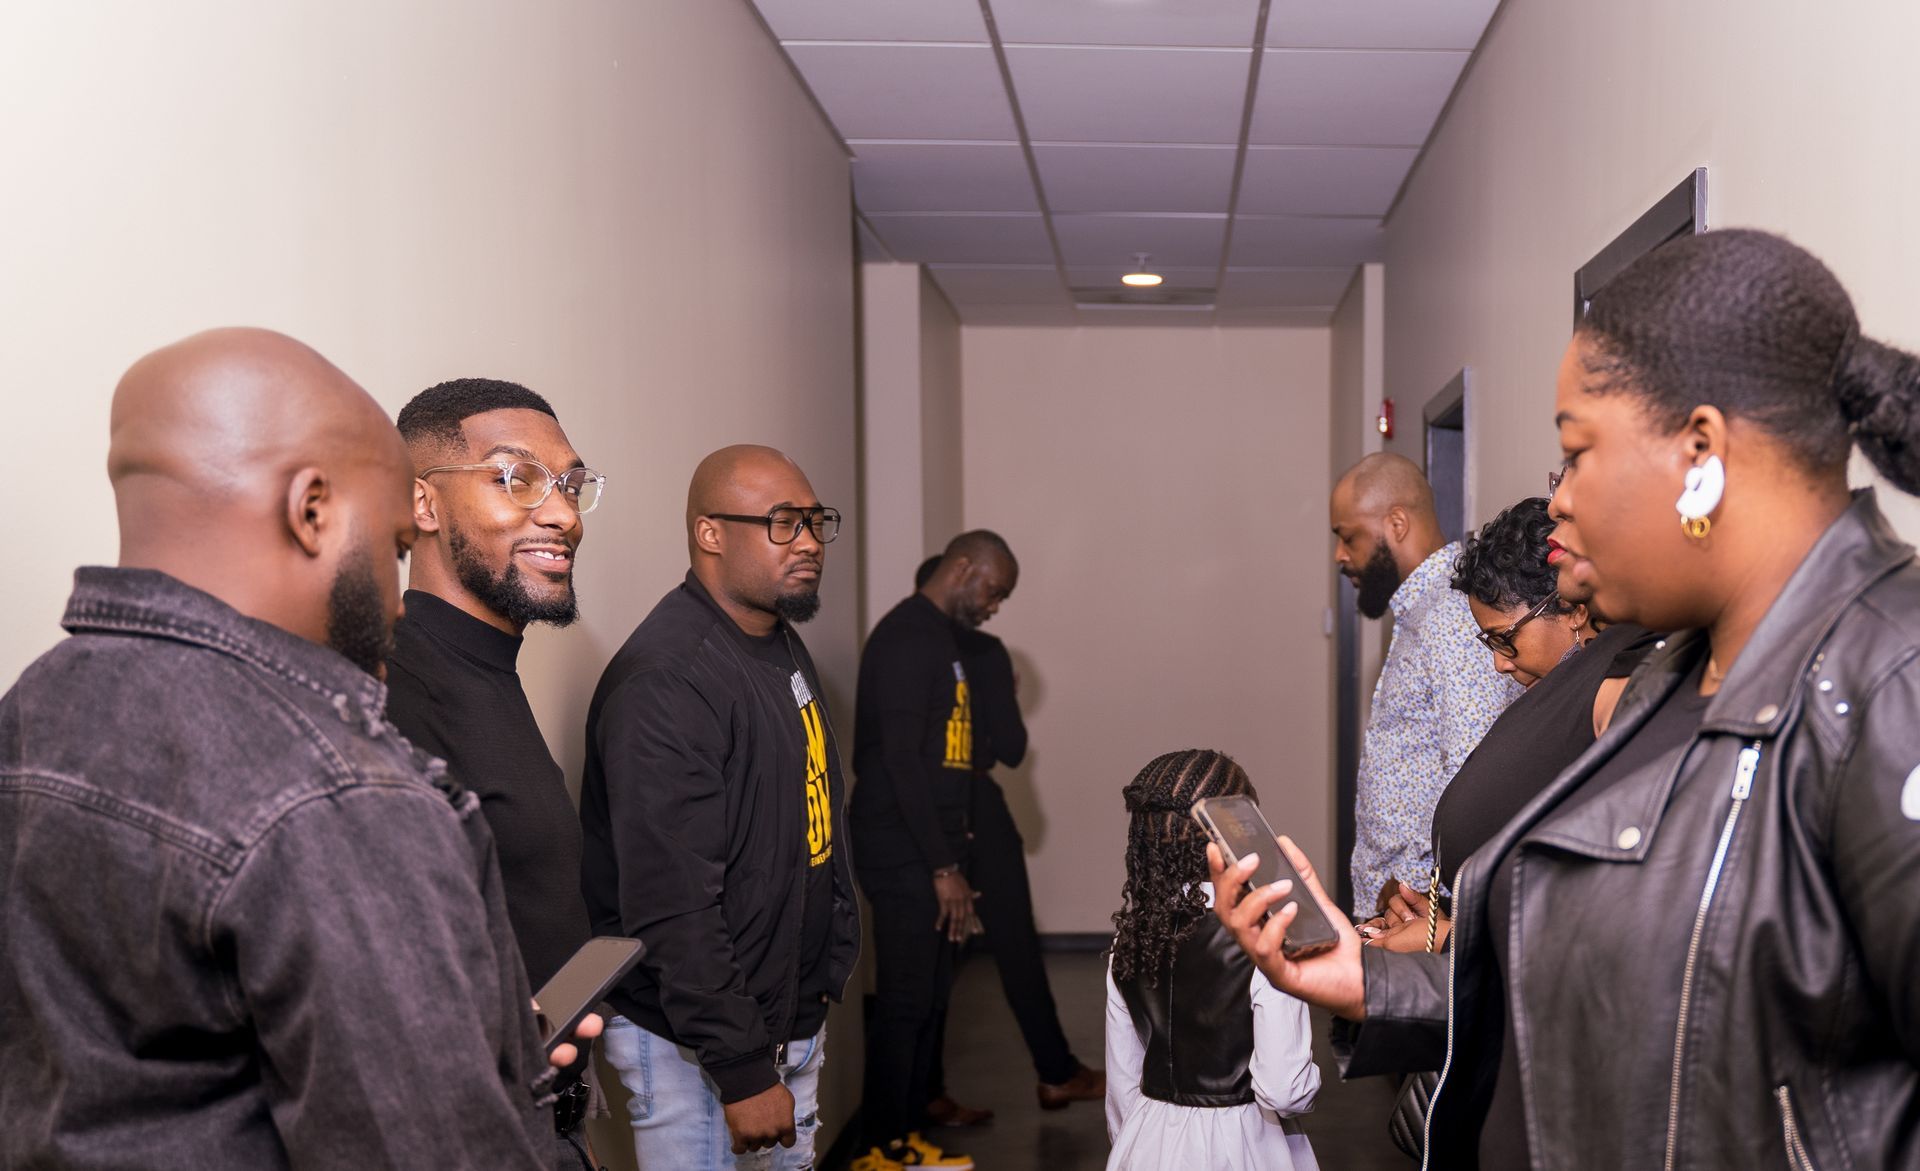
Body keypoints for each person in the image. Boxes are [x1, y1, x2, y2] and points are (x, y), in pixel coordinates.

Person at [1218, 229, 1920, 1169]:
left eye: (1578, 454)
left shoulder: (1885, 685)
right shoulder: (1680, 676)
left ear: (1700, 453)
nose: (1557, 503)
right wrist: (1366, 977)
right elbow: (1615, 989)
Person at [0, 328, 594, 1169]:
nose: (397, 601)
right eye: (393, 549)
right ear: (311, 510)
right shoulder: (341, 792)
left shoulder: (30, 708)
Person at [579, 444, 859, 1170]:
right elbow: (672, 903)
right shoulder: (669, 681)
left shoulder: (775, 644)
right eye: (783, 522)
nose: (808, 541)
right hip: (697, 1047)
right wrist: (740, 1065)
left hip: (781, 1019)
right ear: (710, 533)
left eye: (815, 522)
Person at [384, 377, 605, 1165]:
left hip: (544, 1116)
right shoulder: (391, 692)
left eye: (571, 484)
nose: (563, 514)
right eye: (517, 479)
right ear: (423, 504)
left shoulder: (486, 669)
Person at [1360, 496, 1659, 954]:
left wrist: (1450, 937)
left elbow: (1599, 895)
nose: (1500, 664)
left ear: (1572, 608)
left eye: (1506, 640)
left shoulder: (1617, 681)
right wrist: (1441, 916)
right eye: (1489, 644)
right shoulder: (1554, 684)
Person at [849, 532, 1023, 1171]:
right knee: (902, 1001)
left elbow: (942, 758)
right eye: (993, 590)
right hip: (902, 853)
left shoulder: (939, 638)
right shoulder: (906, 638)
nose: (994, 605)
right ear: (964, 567)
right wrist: (942, 866)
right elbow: (898, 761)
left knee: (928, 998)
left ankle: (907, 1132)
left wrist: (959, 846)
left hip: (931, 851)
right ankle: (879, 1150)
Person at [911, 555, 1104, 1129]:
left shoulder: (908, 646)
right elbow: (1012, 749)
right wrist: (1006, 700)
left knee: (934, 961)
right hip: (979, 811)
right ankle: (1056, 1072)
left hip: (922, 814)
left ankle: (928, 1092)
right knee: (1016, 947)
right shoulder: (985, 654)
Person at [1104, 749, 1320, 1171]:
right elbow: (1283, 1089)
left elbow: (1122, 1081)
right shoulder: (1266, 934)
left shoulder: (1130, 936)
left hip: (1145, 1140)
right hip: (1244, 1144)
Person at [1331, 453, 1522, 915]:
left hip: (1417, 908)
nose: (1339, 555)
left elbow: (1473, 762)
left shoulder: (1453, 613)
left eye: (1348, 537)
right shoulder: (1424, 611)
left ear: (1396, 523)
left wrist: (1413, 882)